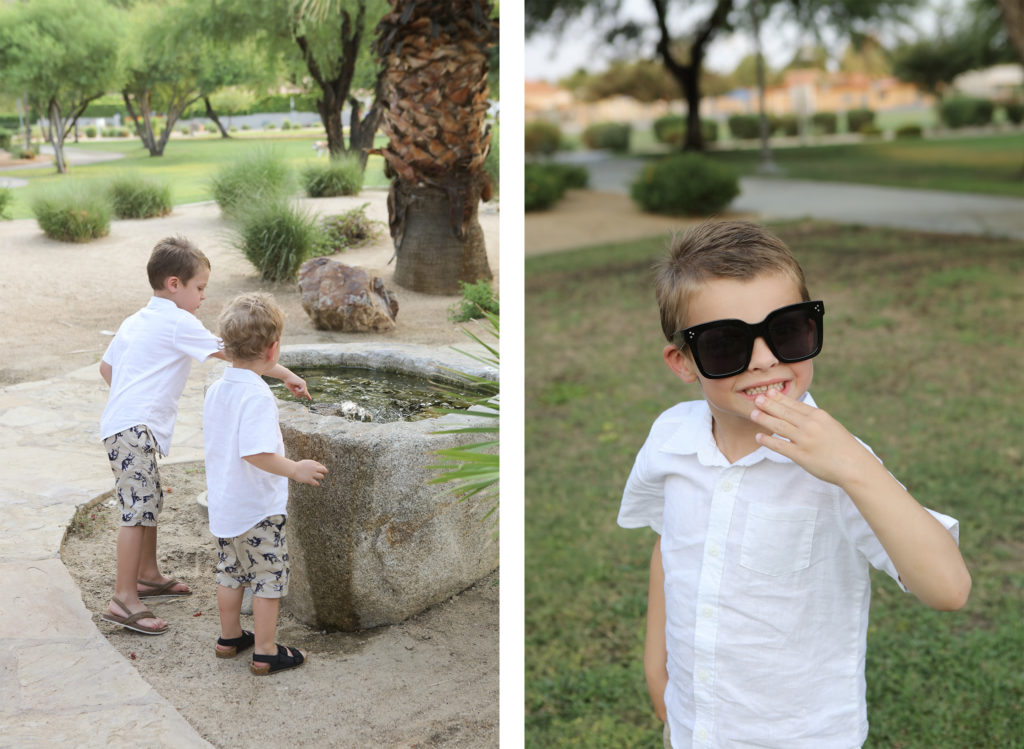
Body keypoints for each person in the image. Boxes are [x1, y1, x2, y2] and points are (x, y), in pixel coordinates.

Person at [618, 221, 971, 748]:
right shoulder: (671, 440)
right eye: (723, 344)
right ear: (683, 362)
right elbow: (671, 546)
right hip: (697, 727)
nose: (765, 359)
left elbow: (948, 589)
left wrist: (854, 468)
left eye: (786, 331)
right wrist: (656, 669)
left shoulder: (842, 465)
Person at [99, 236, 309, 635]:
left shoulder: (137, 319)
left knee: (149, 500)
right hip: (134, 427)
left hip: (123, 423)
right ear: (175, 284)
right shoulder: (177, 321)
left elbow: (106, 371)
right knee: (136, 508)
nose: (203, 298)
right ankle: (123, 597)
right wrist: (285, 373)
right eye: (199, 288)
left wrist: (133, 395)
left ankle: (147, 575)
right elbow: (234, 350)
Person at [204, 291, 327, 675]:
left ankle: (229, 638)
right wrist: (295, 468)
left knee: (231, 571)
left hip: (225, 506)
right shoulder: (256, 396)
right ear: (273, 349)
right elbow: (255, 453)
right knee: (267, 578)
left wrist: (285, 374)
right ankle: (265, 650)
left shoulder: (217, 389)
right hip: (257, 510)